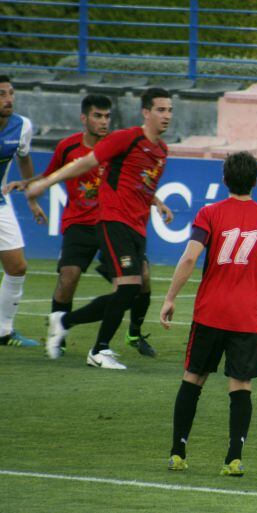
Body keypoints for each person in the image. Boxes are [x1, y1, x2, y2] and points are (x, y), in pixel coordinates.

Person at [5, 94, 172, 357]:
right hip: (86, 223)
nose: (104, 121)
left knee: (136, 284)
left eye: (107, 116)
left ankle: (130, 334)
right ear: (84, 118)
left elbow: (136, 182)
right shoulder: (75, 146)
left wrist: (158, 202)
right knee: (70, 277)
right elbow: (56, 172)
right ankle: (71, 338)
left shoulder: (148, 148)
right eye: (98, 115)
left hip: (117, 223)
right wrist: (33, 186)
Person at [160, 151, 257, 476]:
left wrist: (170, 297)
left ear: (224, 179)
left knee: (194, 377)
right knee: (240, 384)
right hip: (247, 316)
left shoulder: (209, 213)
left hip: (209, 312)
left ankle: (178, 452)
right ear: (256, 181)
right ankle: (233, 458)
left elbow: (189, 258)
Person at [0, 75, 45, 348]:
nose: (8, 99)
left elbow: (25, 159)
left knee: (17, 266)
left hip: (1, 201)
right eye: (2, 94)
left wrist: (31, 198)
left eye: (11, 93)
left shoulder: (21, 126)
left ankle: (4, 331)